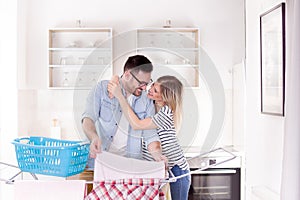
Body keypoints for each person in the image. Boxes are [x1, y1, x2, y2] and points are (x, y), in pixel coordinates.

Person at [108, 75, 191, 200]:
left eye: (156, 90)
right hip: (157, 166)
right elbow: (123, 80)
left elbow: (137, 125)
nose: (150, 89)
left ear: (164, 97)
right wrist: (115, 80)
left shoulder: (166, 113)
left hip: (177, 169)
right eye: (153, 85)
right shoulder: (150, 102)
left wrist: (120, 96)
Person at [81, 55, 165, 166]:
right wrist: (94, 137)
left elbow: (150, 135)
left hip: (129, 165)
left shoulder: (146, 101)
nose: (144, 88)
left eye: (147, 83)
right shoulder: (102, 89)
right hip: (99, 162)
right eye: (141, 83)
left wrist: (158, 155)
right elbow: (88, 119)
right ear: (127, 75)